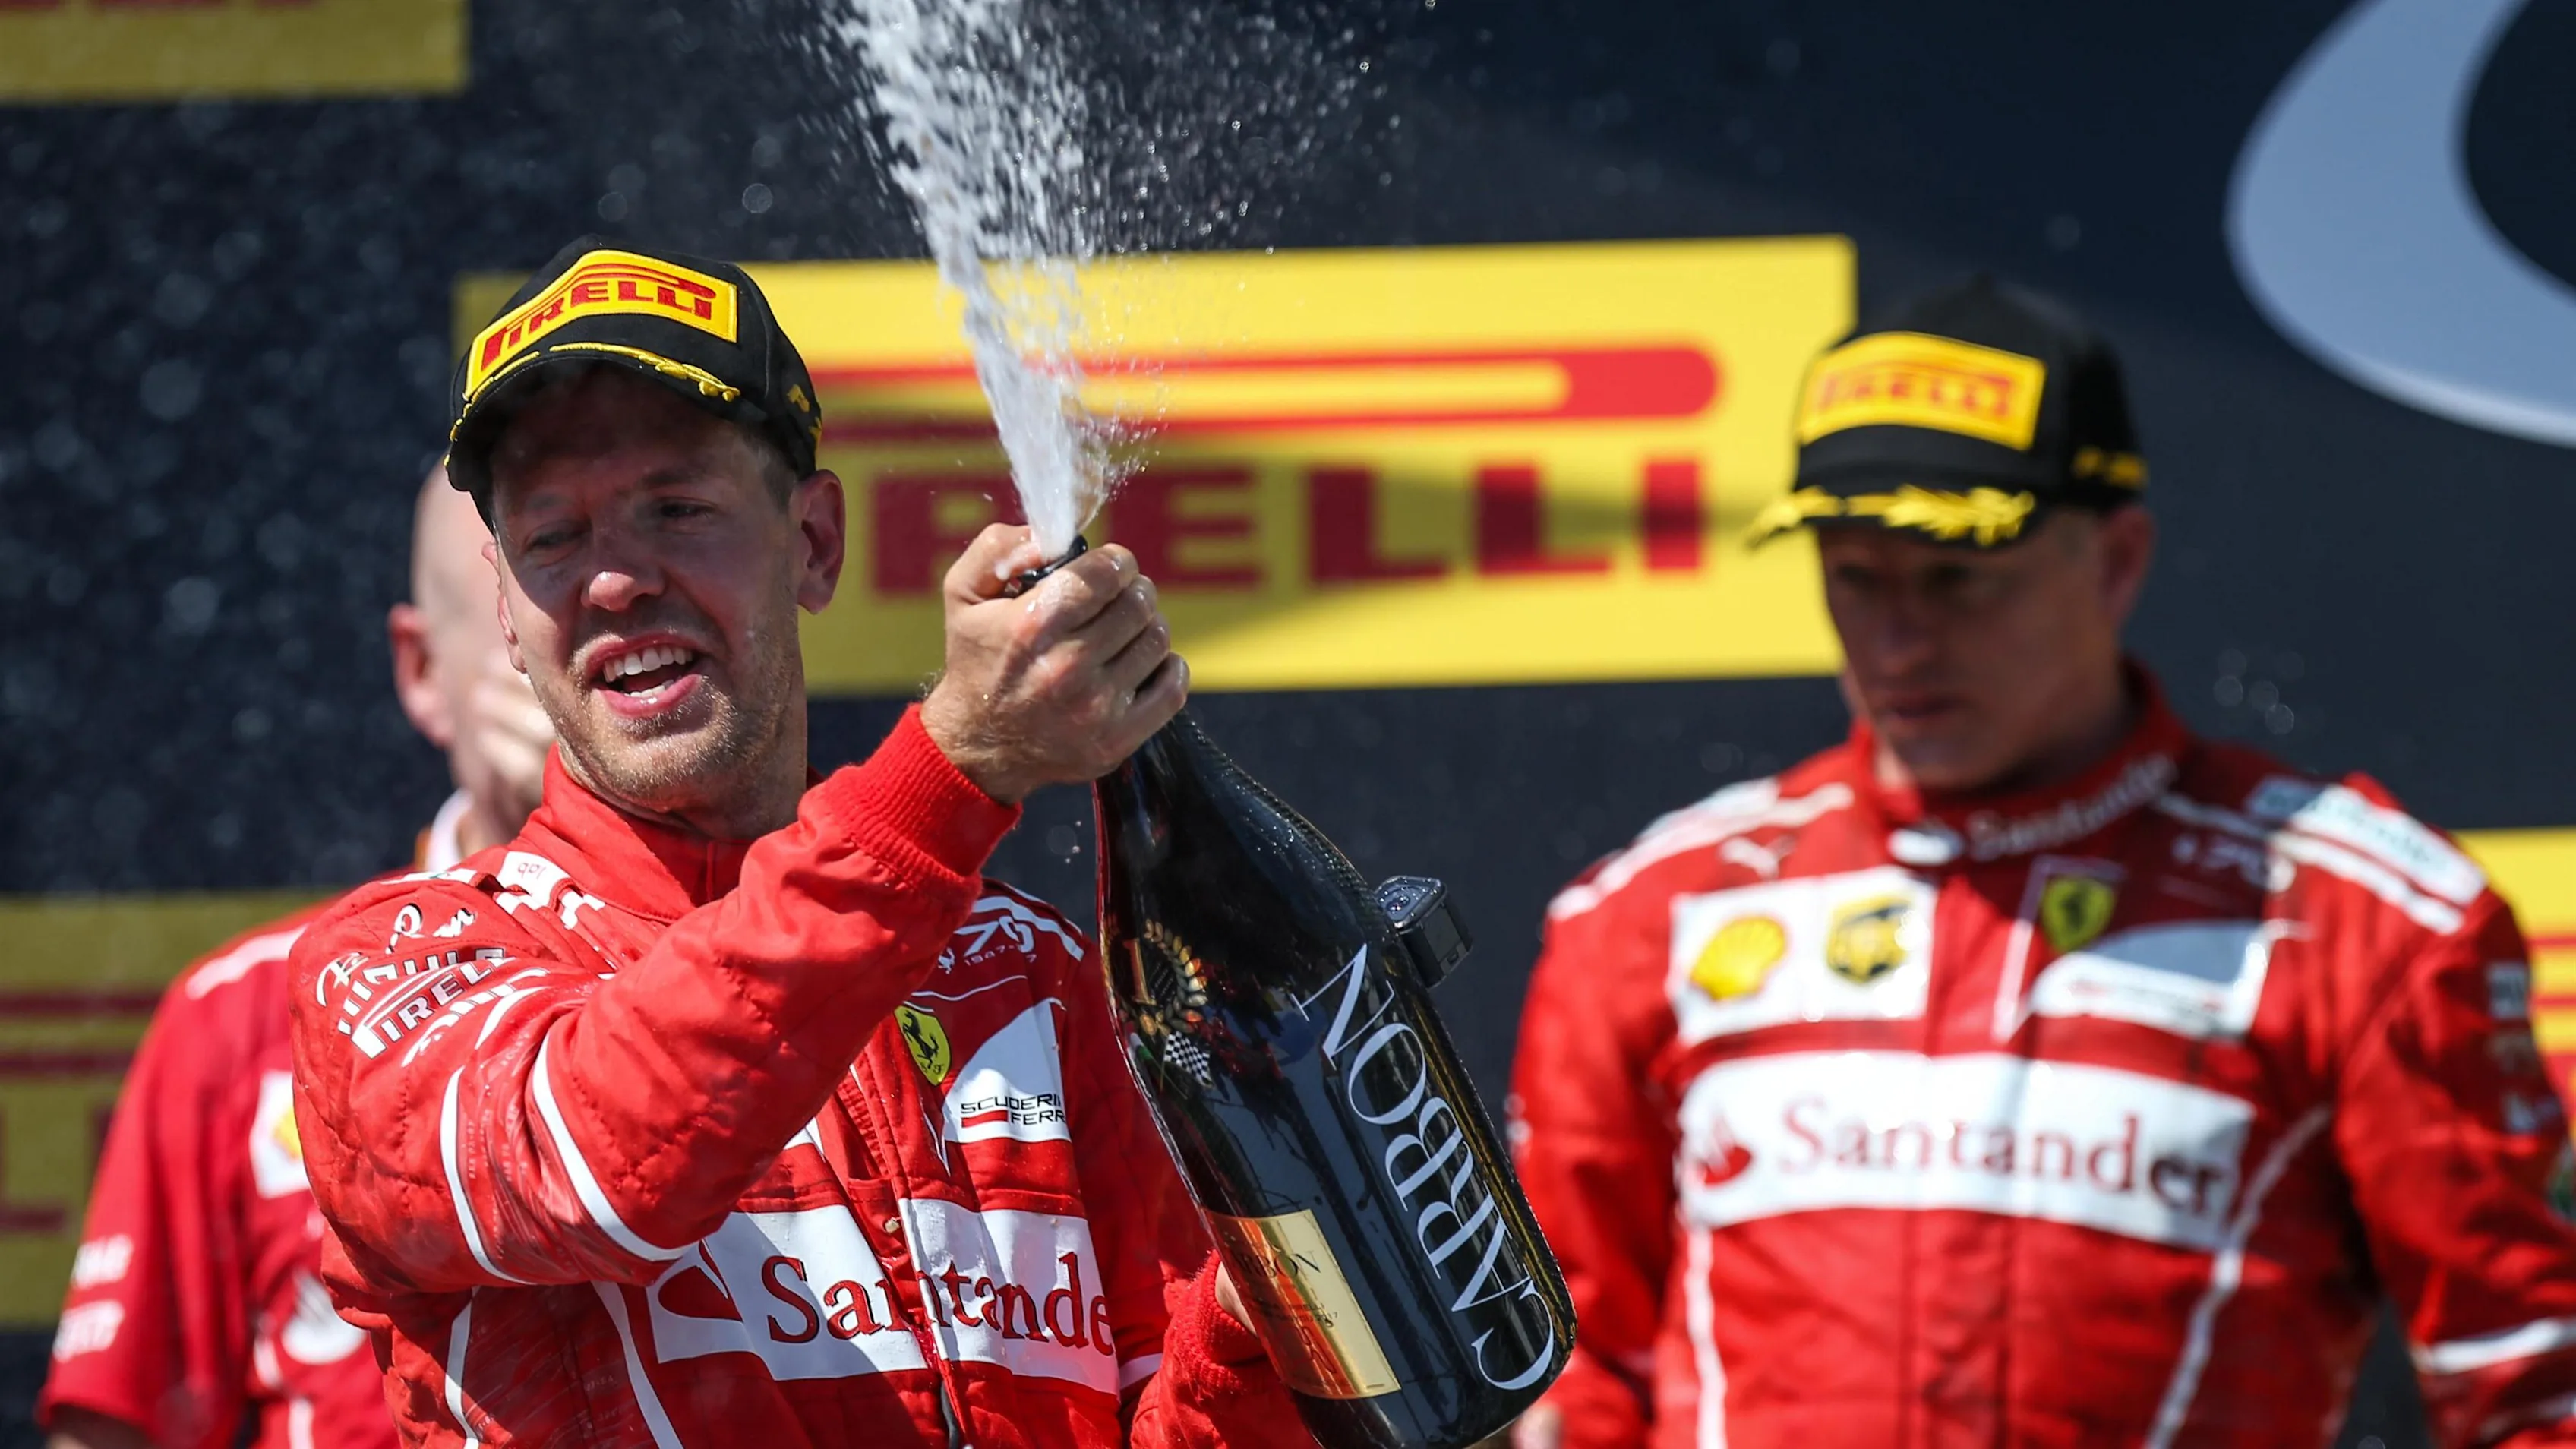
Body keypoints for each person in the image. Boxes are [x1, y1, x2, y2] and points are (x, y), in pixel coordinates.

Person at [1508, 276, 2576, 1447]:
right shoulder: (1660, 914)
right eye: (1855, 577)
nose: (1899, 642)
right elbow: (1573, 1378)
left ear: (2116, 561)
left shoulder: (2360, 917)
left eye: (1958, 577)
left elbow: (2533, 1389)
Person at [284, 236, 1305, 1449]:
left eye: (678, 510)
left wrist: (1263, 1323)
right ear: (507, 611)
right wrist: (954, 769)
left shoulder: (1025, 975)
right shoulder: (392, 967)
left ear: (815, 543)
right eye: (554, 539)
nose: (615, 583)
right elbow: (600, 1165)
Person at [41, 472, 552, 1449]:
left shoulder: (786, 965)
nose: (565, 649)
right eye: (517, 607)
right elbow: (116, 1430)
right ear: (421, 671)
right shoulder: (243, 1008)